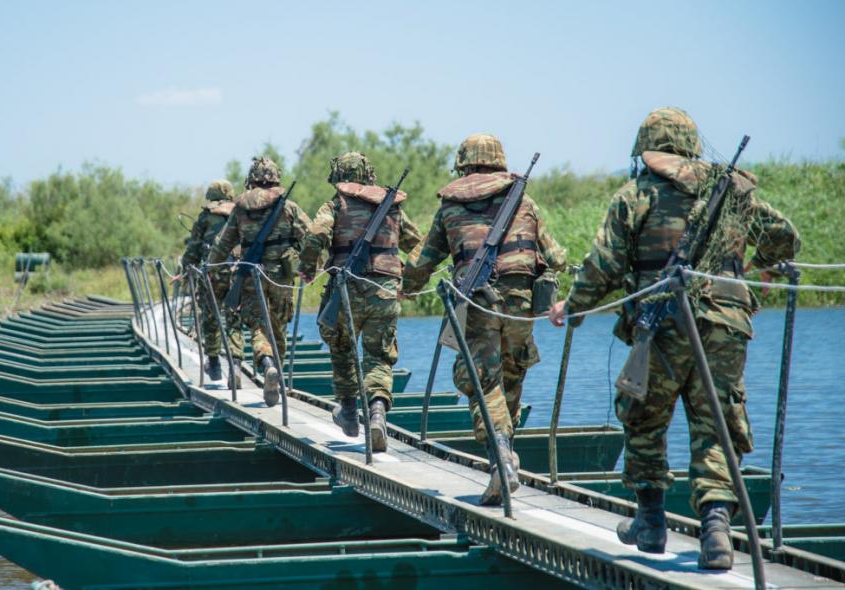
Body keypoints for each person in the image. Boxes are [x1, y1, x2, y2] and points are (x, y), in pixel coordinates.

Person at [548, 107, 800, 569]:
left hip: (662, 327)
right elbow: (785, 238)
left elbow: (603, 265)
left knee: (643, 418)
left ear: (647, 149)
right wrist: (756, 266)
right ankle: (716, 530)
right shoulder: (729, 193)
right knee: (717, 427)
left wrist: (573, 308)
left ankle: (651, 522)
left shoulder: (635, 195)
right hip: (725, 327)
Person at [403, 133, 566, 504]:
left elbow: (423, 261)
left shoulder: (450, 206)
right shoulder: (523, 201)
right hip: (521, 302)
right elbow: (554, 257)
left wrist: (406, 286)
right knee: (509, 374)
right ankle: (506, 454)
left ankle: (501, 460)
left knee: (479, 378)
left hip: (477, 303)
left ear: (464, 163)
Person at [299, 152, 423, 451]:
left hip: (347, 290)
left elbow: (316, 234)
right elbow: (419, 244)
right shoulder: (391, 207)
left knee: (341, 345)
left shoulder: (334, 205)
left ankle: (350, 412)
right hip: (385, 290)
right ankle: (378, 412)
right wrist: (410, 281)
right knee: (379, 357)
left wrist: (307, 267)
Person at [207, 157, 311, 405]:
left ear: (252, 180)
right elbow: (311, 235)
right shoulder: (289, 207)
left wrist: (211, 266)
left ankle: (267, 365)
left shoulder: (241, 208)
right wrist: (309, 266)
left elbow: (223, 243)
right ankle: (277, 376)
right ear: (276, 178)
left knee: (258, 327)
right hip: (282, 276)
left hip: (251, 274)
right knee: (279, 327)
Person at [178, 179, 244, 382]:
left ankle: (214, 364)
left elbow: (193, 249)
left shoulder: (205, 217)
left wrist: (185, 271)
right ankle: (235, 366)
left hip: (211, 273)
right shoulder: (240, 214)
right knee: (234, 319)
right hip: (235, 272)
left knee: (210, 316)